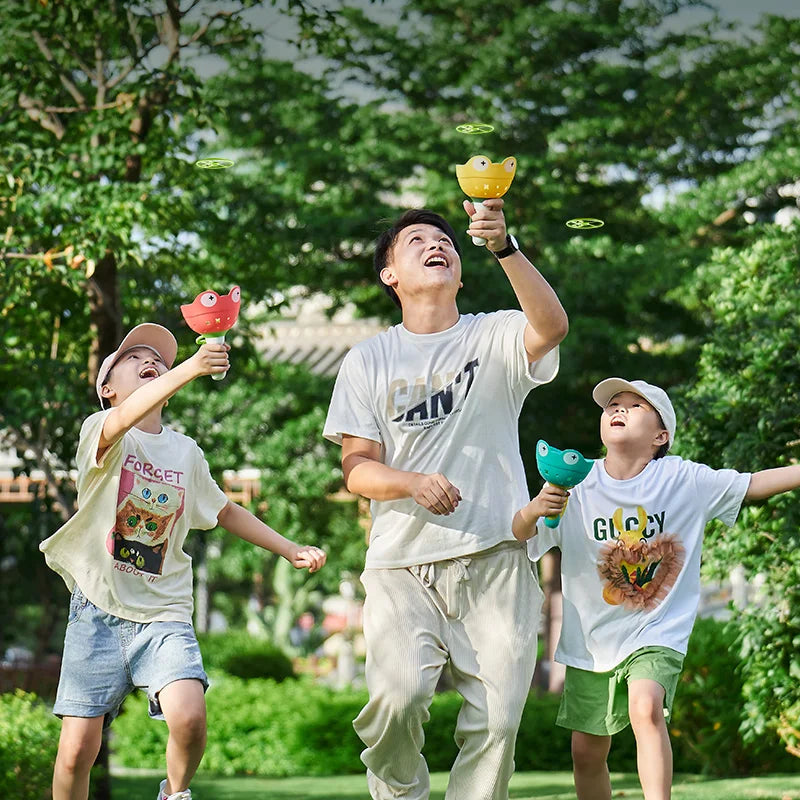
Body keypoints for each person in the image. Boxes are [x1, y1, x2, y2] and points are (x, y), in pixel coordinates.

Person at [323, 199, 568, 799]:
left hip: (497, 559)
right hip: (401, 565)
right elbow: (356, 469)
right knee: (398, 698)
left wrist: (504, 247)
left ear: (459, 272)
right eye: (417, 241)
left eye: (447, 242)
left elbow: (551, 326)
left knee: (498, 724)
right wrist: (409, 482)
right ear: (390, 275)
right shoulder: (368, 359)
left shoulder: (494, 335)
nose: (437, 245)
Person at [40, 323, 326, 800]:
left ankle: (174, 794)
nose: (149, 361)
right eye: (134, 358)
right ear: (108, 389)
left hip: (164, 613)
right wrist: (191, 368)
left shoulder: (185, 453)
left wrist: (288, 548)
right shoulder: (101, 430)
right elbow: (120, 421)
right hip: (96, 611)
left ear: (169, 392)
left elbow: (224, 510)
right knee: (75, 752)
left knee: (190, 719)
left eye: (158, 360)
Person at [513, 377, 800, 800]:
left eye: (635, 406)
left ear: (661, 436)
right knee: (586, 754)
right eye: (612, 404)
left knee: (645, 707)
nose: (619, 409)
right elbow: (522, 535)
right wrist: (535, 509)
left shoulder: (683, 479)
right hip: (592, 641)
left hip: (656, 630)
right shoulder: (576, 482)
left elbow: (752, 483)